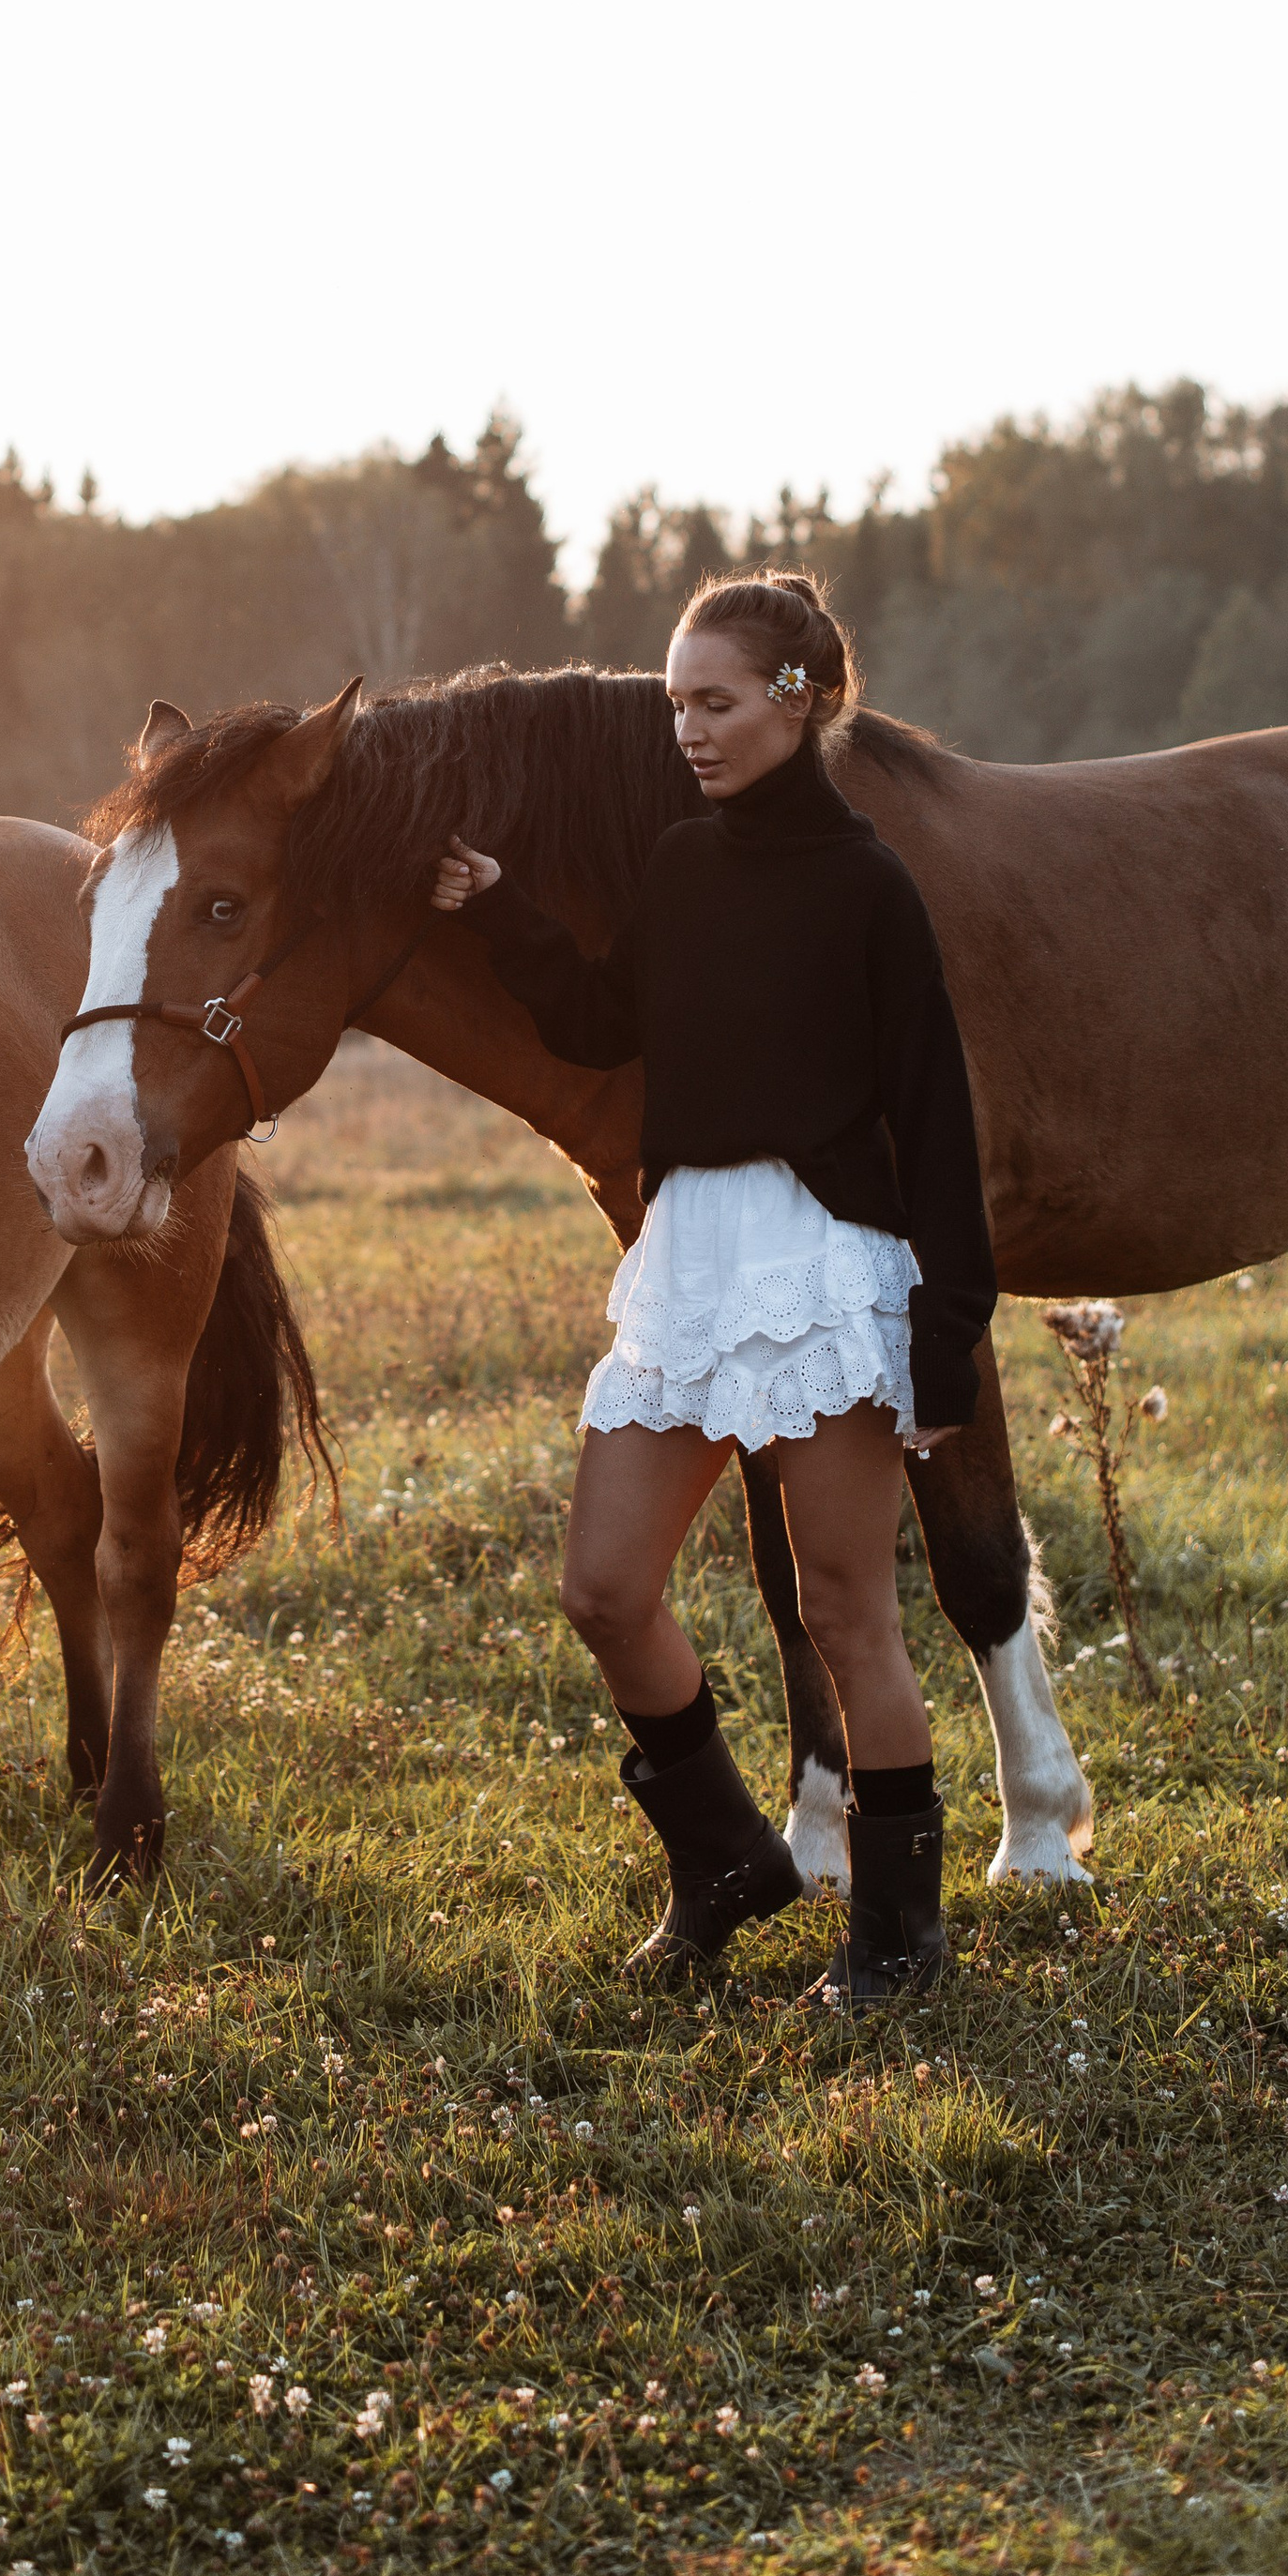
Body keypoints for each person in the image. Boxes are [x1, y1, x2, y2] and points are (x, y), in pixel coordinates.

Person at [431, 570, 994, 2004]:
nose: (688, 728)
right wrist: (504, 915)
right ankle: (731, 1860)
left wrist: (944, 1347)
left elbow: (937, 1127)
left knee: (846, 1612)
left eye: (717, 701)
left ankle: (898, 1940)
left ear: (797, 703)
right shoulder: (679, 868)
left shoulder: (871, 888)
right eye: (677, 701)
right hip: (689, 1257)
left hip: (821, 1268)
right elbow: (603, 1022)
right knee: (606, 1587)